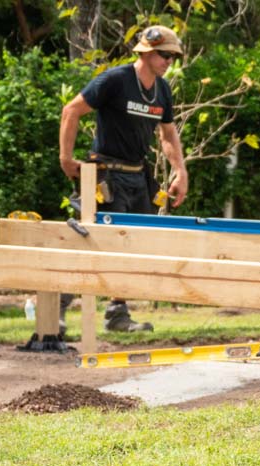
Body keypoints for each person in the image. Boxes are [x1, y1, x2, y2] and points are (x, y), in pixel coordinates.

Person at [59, 25, 188, 332]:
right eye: (164, 54)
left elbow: (168, 133)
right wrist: (66, 158)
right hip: (105, 176)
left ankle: (117, 313)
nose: (169, 61)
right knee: (90, 242)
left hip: (137, 176)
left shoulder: (162, 90)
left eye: (173, 56)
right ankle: (56, 309)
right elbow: (71, 111)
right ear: (145, 52)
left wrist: (180, 170)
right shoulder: (115, 80)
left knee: (135, 245)